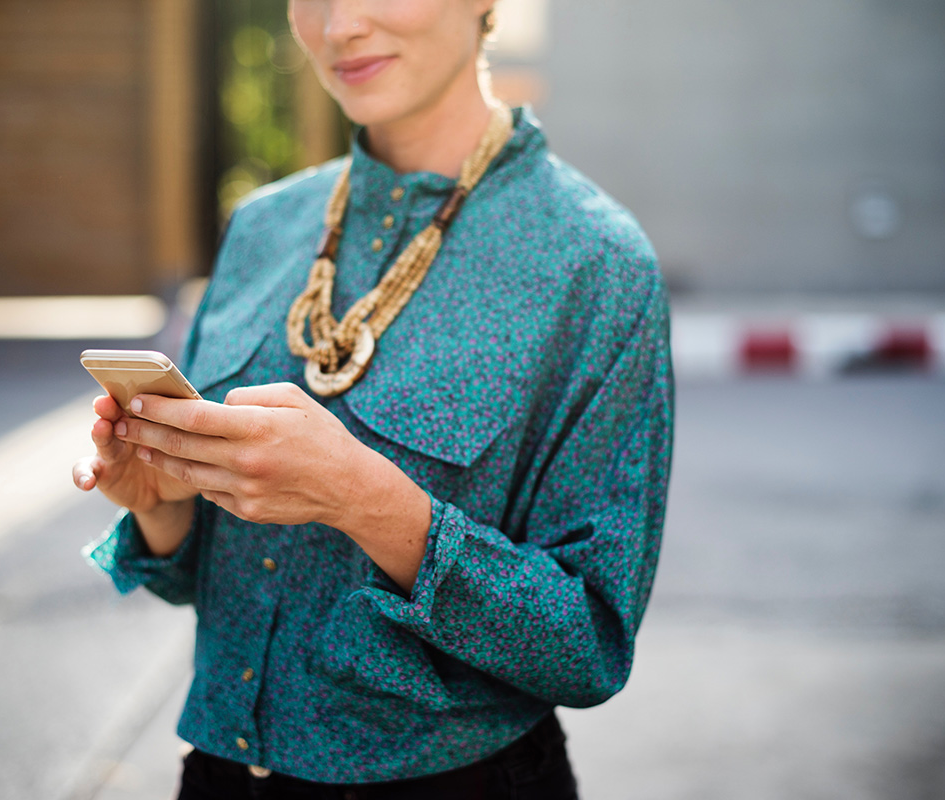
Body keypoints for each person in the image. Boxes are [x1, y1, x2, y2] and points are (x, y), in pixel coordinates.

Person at [72, 1, 673, 797]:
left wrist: (366, 500)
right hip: (216, 776)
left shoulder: (595, 263)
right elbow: (202, 582)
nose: (339, 24)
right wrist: (161, 506)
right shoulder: (262, 226)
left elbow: (588, 646)